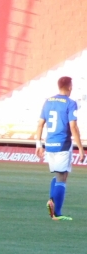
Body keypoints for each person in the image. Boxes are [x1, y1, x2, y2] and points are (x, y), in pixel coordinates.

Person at [35, 76, 84, 221]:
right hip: (63, 144)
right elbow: (73, 126)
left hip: (49, 144)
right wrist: (80, 148)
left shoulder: (48, 101)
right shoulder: (70, 103)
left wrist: (38, 144)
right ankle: (57, 213)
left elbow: (40, 124)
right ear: (69, 87)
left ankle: (52, 202)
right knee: (62, 178)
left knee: (59, 175)